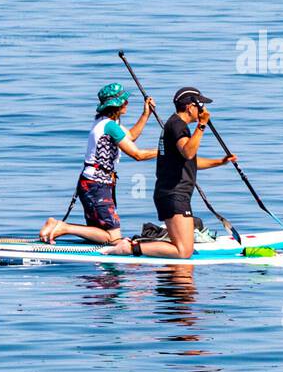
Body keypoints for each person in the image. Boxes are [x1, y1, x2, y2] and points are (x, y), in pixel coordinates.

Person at [106, 87, 236, 259]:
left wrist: (220, 162)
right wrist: (202, 125)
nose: (203, 110)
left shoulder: (175, 125)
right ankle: (130, 248)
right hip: (174, 194)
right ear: (190, 107)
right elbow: (188, 152)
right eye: (201, 106)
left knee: (183, 248)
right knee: (183, 252)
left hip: (172, 194)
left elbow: (190, 161)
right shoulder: (177, 126)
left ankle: (139, 245)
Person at [38, 84, 156, 245]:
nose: (127, 103)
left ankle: (63, 230)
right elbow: (137, 154)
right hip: (96, 186)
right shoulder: (110, 126)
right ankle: (63, 227)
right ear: (116, 105)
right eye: (124, 101)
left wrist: (145, 114)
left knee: (101, 236)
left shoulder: (103, 122)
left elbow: (130, 137)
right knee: (113, 238)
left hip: (93, 183)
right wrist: (167, 150)